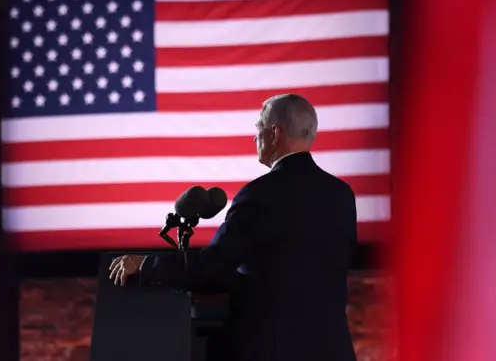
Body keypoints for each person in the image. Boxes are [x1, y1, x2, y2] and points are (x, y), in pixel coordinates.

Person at [109, 93, 358, 361]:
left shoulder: (260, 194)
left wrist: (146, 264)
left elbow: (213, 266)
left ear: (274, 133)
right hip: (333, 348)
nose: (255, 138)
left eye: (258, 128)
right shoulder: (342, 195)